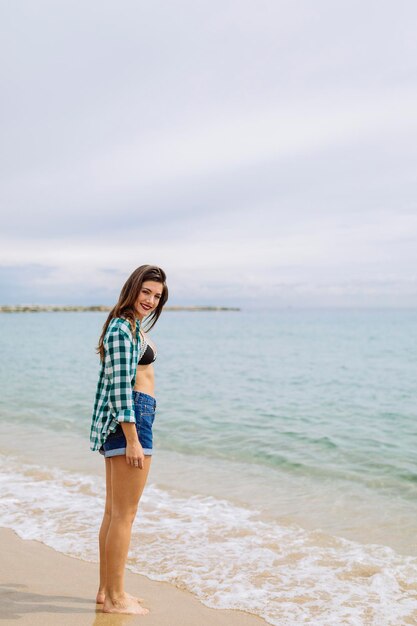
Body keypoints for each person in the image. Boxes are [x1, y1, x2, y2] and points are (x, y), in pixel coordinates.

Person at [90, 264, 168, 615]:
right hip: (132, 417)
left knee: (114, 512)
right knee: (125, 514)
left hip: (132, 416)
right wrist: (133, 438)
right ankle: (117, 598)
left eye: (157, 295)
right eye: (146, 291)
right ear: (133, 289)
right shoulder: (122, 328)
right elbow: (122, 389)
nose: (151, 299)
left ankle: (107, 591)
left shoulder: (128, 326)